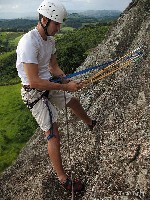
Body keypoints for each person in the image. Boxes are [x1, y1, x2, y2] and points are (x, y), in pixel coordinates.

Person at [16, 0, 96, 192]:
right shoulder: (29, 42)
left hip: (47, 84)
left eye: (59, 24)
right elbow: (34, 81)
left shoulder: (50, 41)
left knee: (73, 101)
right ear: (44, 20)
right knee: (53, 134)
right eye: (56, 23)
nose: (59, 28)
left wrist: (65, 79)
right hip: (33, 92)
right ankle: (63, 179)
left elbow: (53, 67)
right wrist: (66, 87)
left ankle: (90, 123)